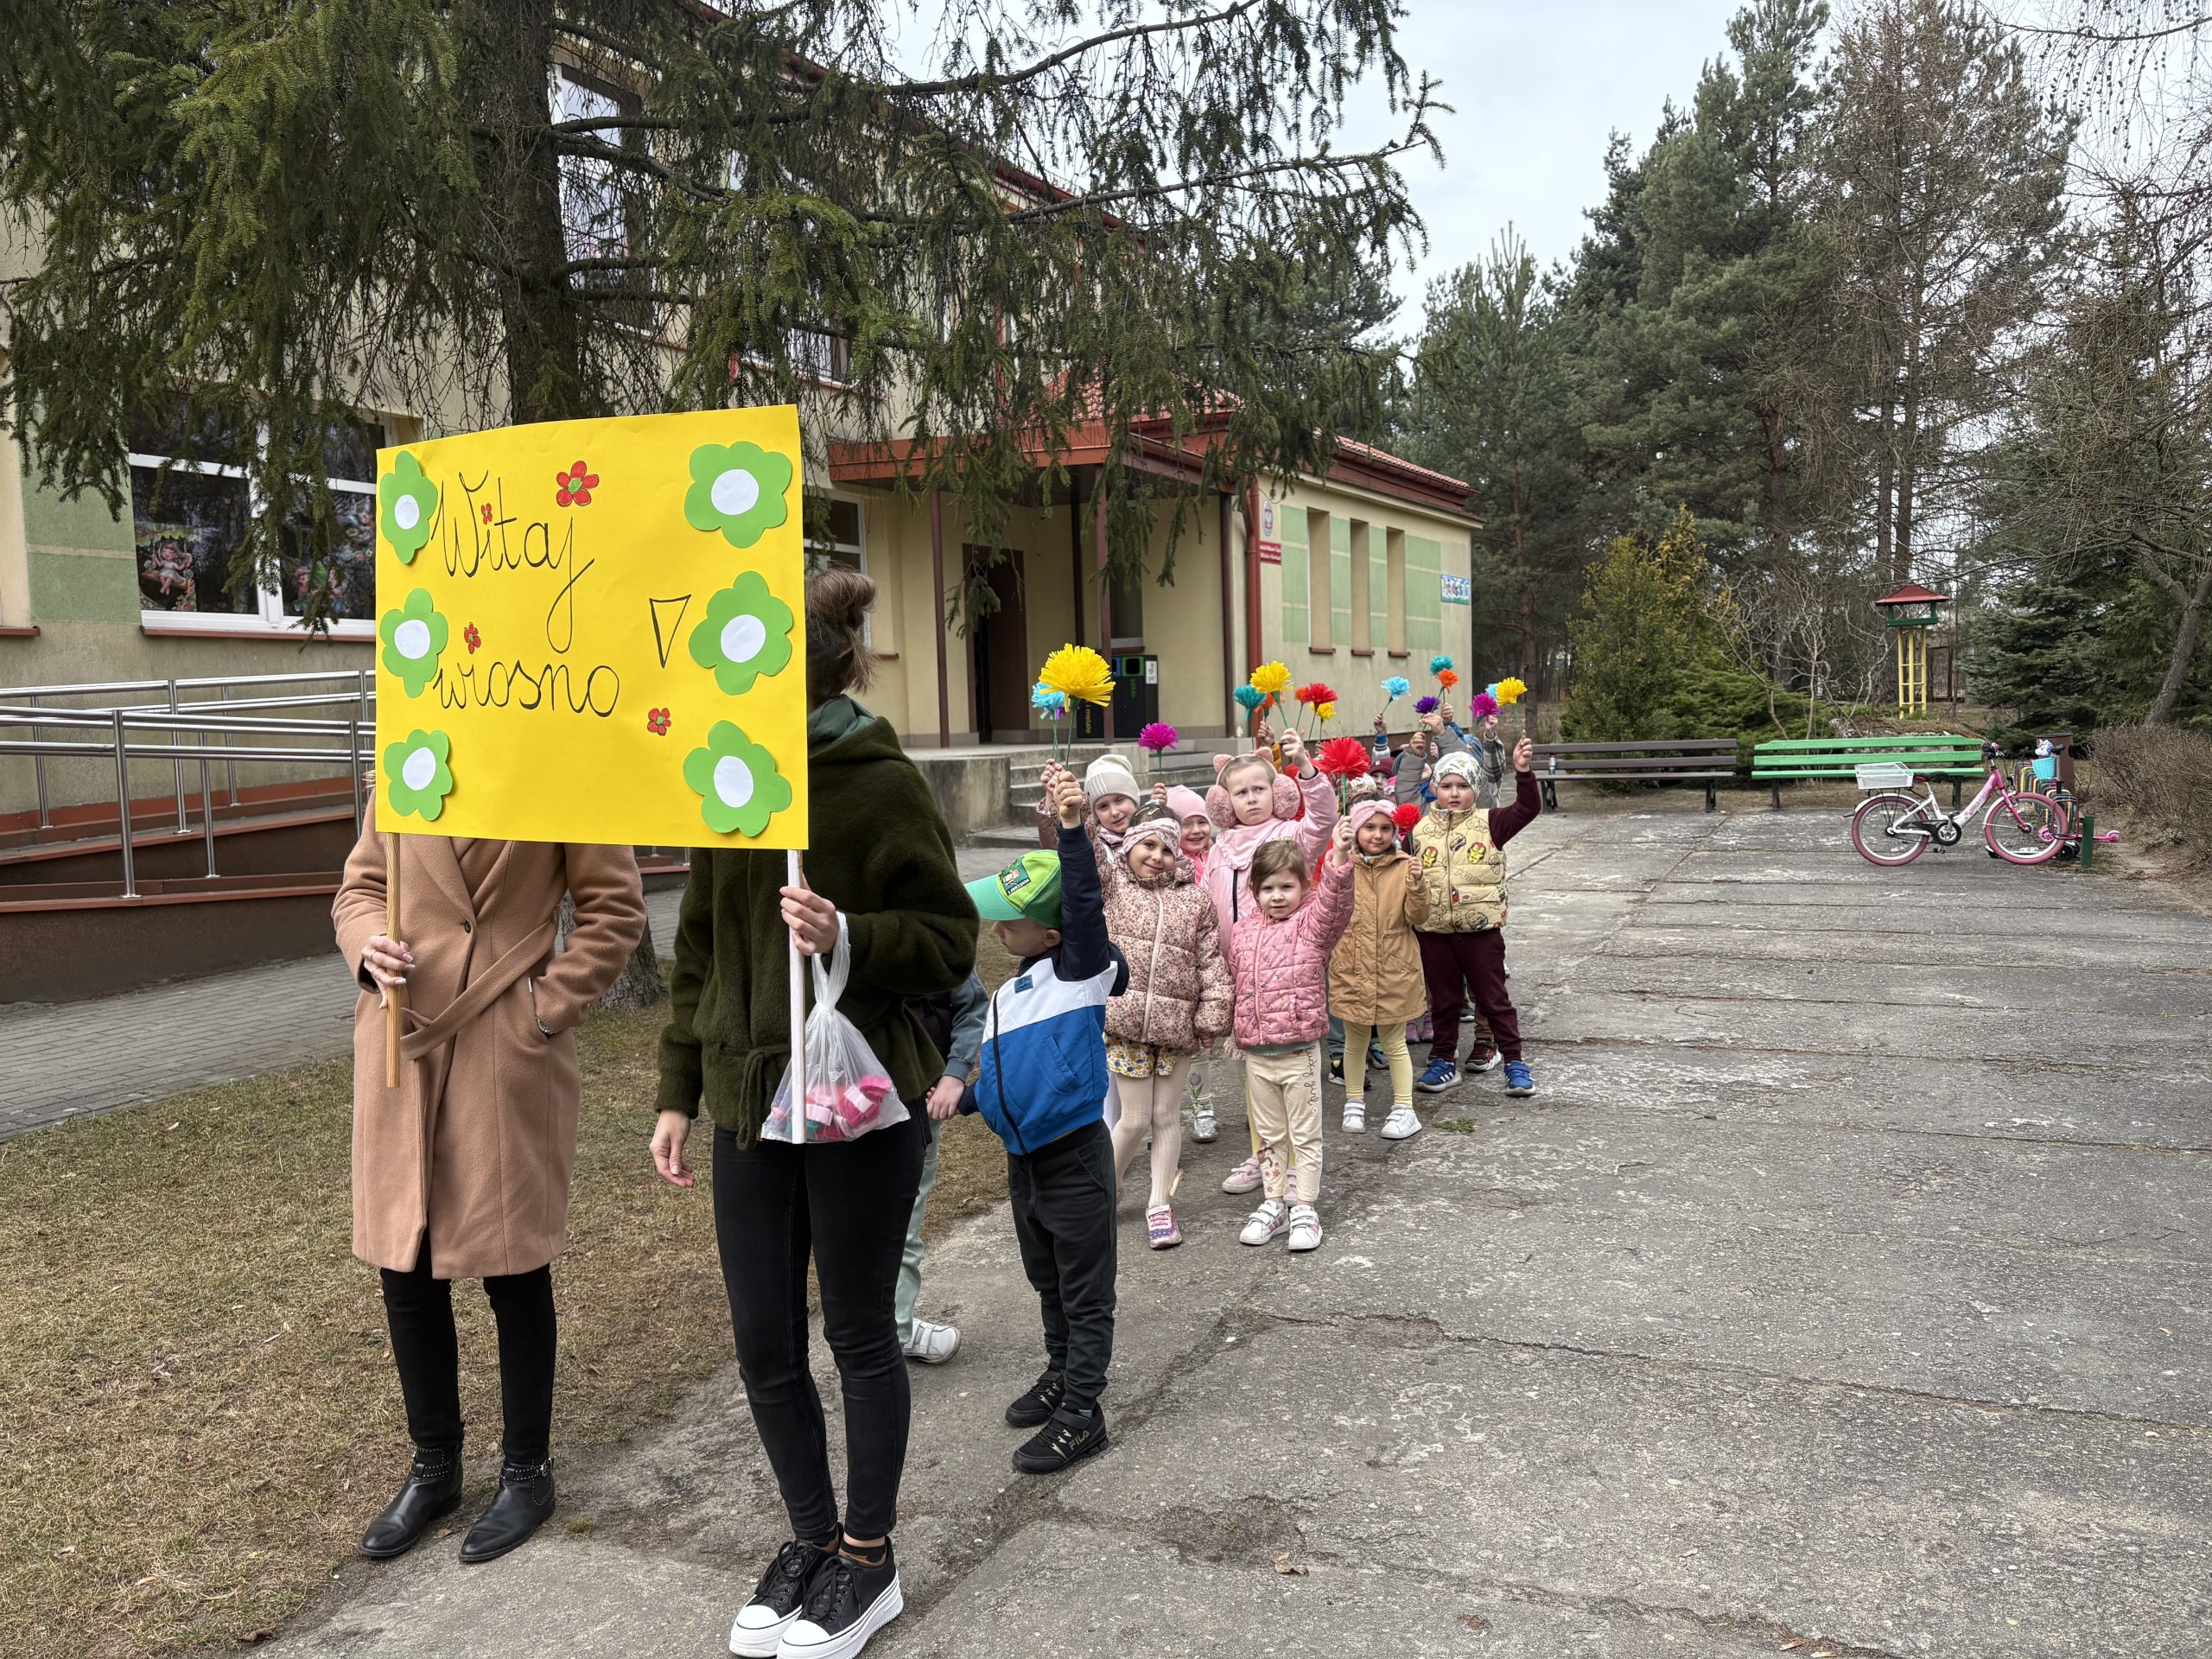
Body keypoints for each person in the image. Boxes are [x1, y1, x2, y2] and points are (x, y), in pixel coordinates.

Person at [650, 567, 976, 1659]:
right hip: (748, 1103)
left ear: (804, 669)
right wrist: (679, 1091)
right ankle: (809, 1540)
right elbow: (699, 947)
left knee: (858, 1333)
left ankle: (867, 1560)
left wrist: (847, 934)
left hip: (858, 1104)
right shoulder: (731, 781)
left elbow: (949, 939)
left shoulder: (877, 783)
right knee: (762, 1342)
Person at [334, 820, 645, 1567]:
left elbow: (615, 910)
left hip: (503, 1042)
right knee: (405, 1262)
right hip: (402, 1033)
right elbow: (361, 886)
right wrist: (369, 946)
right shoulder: (408, 765)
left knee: (513, 1262)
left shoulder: (558, 766)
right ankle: (434, 1466)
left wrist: (545, 1006)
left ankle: (526, 1472)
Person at [960, 762, 1127, 1474]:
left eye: (1012, 918)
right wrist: (958, 1098)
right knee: (1048, 1280)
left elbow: (1083, 903)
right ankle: (1061, 1372)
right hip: (1024, 1164)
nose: (998, 927)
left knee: (1085, 1292)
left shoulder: (1078, 972)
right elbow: (1006, 1075)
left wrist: (1072, 830)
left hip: (1074, 1157)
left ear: (1053, 934)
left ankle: (1083, 1412)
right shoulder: (1013, 992)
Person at [1198, 729, 1338, 1195]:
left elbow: (1323, 819)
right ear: (1225, 803)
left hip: (1283, 973)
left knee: (1292, 1076)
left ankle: (1297, 1160)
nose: (1252, 798)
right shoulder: (1220, 848)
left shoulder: (1289, 834)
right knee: (1253, 1072)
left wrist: (1307, 769)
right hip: (1237, 970)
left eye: (1260, 789)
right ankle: (1264, 1155)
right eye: (1241, 792)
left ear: (1277, 792)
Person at [1101, 801, 1232, 1249]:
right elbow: (1081, 854)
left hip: (1178, 1028)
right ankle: (1106, 1191)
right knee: (1135, 1119)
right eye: (1148, 845)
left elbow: (1210, 959)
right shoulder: (1113, 886)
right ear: (1130, 846)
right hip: (1127, 1025)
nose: (1157, 856)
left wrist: (1212, 1012)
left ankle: (1160, 1203)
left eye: (1167, 849)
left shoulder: (1195, 899)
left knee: (1166, 1116)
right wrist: (1069, 812)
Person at [1225, 828, 1354, 1252]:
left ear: (1304, 887)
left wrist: (1339, 859)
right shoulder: (1243, 932)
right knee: (1268, 1136)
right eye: (1268, 888)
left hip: (1299, 1052)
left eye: (1287, 887)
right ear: (1254, 890)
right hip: (1257, 1054)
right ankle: (1274, 1202)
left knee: (1305, 1135)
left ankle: (1306, 1209)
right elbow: (1237, 983)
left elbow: (1336, 905)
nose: (1277, 896)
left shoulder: (1312, 926)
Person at [1411, 740, 1543, 1099]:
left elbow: (1528, 808)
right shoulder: (1419, 830)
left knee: (1493, 998)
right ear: (1435, 788)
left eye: (1463, 785)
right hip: (1434, 931)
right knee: (1444, 1001)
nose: (1454, 793)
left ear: (1476, 788)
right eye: (1446, 786)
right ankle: (1443, 1059)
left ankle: (1514, 1061)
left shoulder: (1491, 823)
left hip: (1481, 931)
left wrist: (1523, 771)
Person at [1328, 798, 1431, 1140]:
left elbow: (1418, 917)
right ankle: (1353, 1101)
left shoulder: (1405, 866)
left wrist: (1417, 885)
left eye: (1386, 828)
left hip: (1394, 967)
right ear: (1356, 830)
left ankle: (1404, 1108)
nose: (1377, 835)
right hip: (1352, 966)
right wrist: (1338, 856)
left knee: (1394, 1041)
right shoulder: (1344, 865)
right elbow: (1329, 904)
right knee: (1355, 1041)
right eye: (1369, 827)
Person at [900, 971, 988, 1364]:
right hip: (842, 1101)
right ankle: (886, 1334)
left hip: (915, 1098)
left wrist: (955, 1072)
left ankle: (896, 1330)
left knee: (903, 1222)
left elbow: (972, 1002)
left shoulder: (930, 938)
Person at [1155, 782, 1223, 1145]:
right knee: (1190, 1047)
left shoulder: (1221, 857)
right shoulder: (1169, 868)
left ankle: (1242, 1108)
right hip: (1182, 966)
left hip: (1216, 962)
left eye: (1202, 822)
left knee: (1220, 1045)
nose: (1195, 830)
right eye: (1186, 824)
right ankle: (1197, 1108)